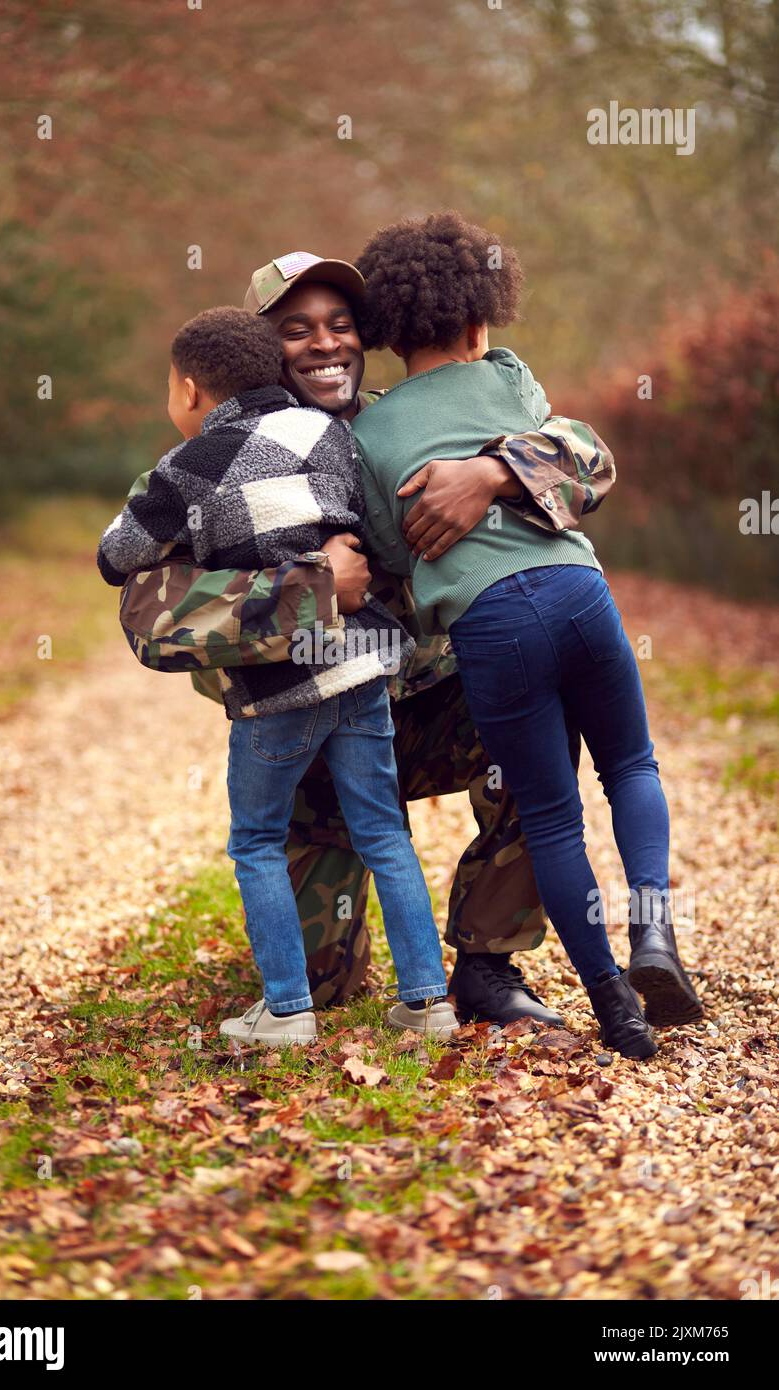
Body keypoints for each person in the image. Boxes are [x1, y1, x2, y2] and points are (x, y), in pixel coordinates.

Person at [116, 251, 617, 1027]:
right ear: (255, 353)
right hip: (311, 743)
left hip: (434, 708)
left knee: (539, 721)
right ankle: (323, 973)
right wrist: (315, 590)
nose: (324, 345)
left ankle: (487, 965)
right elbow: (151, 614)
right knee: (322, 989)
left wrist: (496, 473)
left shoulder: (413, 419)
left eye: (340, 326)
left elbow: (585, 450)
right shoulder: (217, 472)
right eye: (295, 330)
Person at [349, 211, 704, 1059]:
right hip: (581, 591)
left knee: (549, 815)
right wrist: (504, 470)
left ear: (391, 333)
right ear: (480, 319)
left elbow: (398, 552)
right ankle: (654, 935)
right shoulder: (509, 374)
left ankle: (614, 1009)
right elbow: (566, 463)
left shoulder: (367, 435)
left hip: (491, 624)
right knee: (631, 765)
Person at [97, 305, 457, 1046]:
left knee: (255, 841)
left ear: (191, 389)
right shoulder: (328, 431)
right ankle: (428, 1003)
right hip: (358, 667)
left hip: (276, 690)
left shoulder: (188, 464)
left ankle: (287, 1011)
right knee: (386, 834)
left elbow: (117, 556)